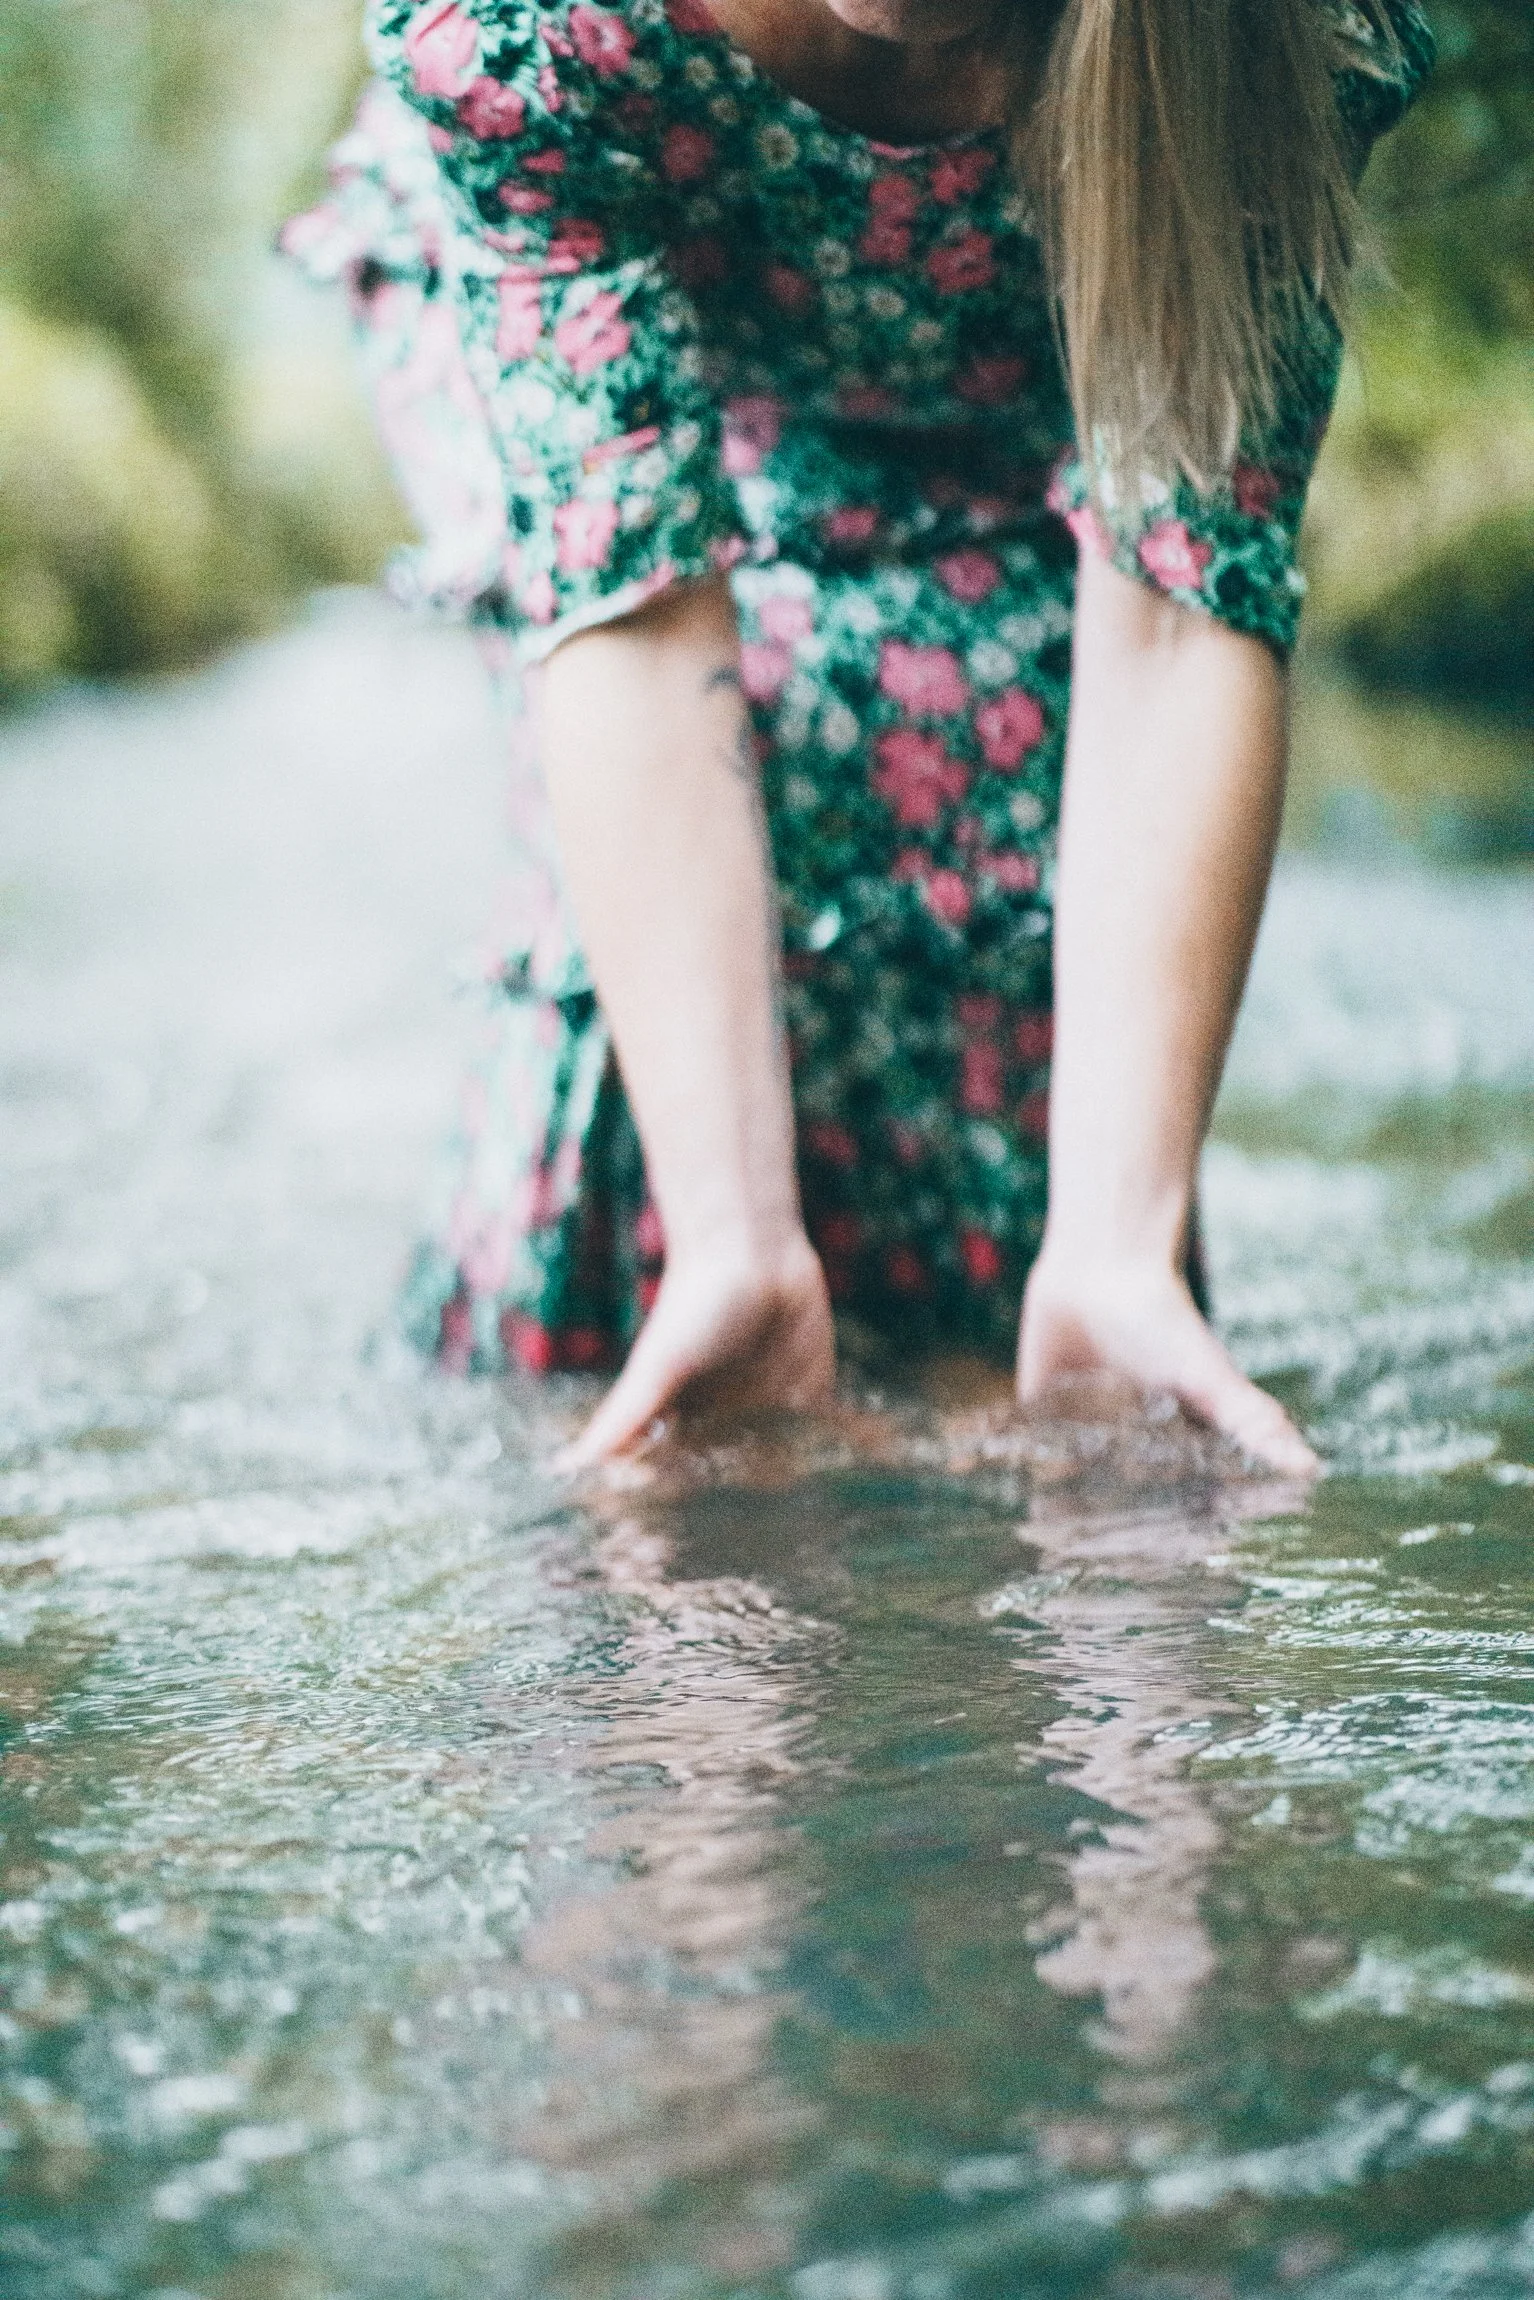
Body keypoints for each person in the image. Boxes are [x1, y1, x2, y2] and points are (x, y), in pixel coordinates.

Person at [284, 0, 1432, 1471]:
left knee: (990, 757)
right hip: (602, 255)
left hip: (1024, 361)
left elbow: (1178, 590)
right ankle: (667, 1342)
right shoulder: (533, 40)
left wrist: (1115, 1243)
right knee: (775, 739)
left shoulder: (1273, 31)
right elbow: (634, 605)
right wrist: (729, 1237)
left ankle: (1047, 1345)